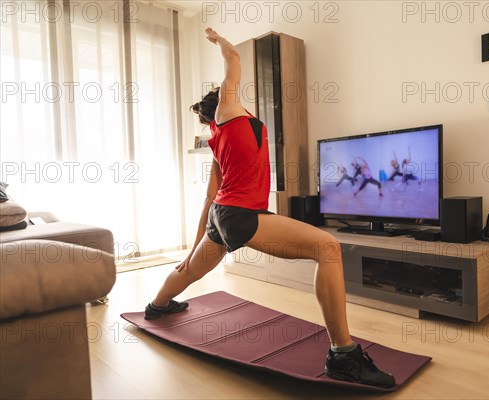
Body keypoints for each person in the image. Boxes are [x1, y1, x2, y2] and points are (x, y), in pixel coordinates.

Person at [143, 27, 395, 389]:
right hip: (241, 215)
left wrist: (192, 245)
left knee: (189, 271)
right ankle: (343, 355)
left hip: (223, 215)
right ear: (224, 99)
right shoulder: (230, 112)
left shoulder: (218, 140)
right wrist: (218, 41)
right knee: (328, 247)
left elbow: (209, 198)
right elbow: (234, 58)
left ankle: (157, 306)